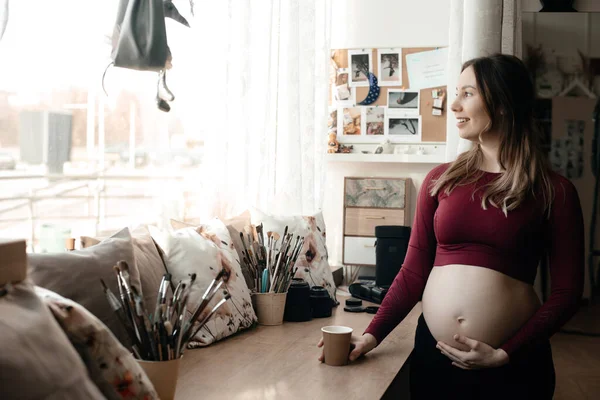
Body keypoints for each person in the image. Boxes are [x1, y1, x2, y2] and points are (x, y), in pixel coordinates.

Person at [317, 54, 584, 400]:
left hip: (512, 364)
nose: (455, 105)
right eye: (456, 93)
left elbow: (567, 293)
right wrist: (371, 335)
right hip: (437, 359)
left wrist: (507, 352)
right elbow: (412, 273)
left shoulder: (553, 191)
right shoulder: (440, 180)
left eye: (468, 94)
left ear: (502, 103)